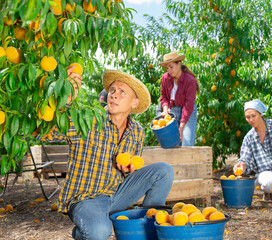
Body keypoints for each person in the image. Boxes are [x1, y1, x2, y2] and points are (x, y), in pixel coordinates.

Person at [40, 67, 174, 240]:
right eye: (112, 90)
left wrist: (127, 169)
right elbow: (48, 133)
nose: (114, 95)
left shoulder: (137, 131)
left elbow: (130, 166)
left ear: (134, 103)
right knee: (101, 232)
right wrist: (66, 98)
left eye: (122, 92)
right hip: (86, 198)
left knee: (164, 171)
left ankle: (145, 228)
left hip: (117, 194)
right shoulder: (89, 120)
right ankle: (86, 231)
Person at [159, 52, 199, 146]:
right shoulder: (165, 78)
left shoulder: (190, 80)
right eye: (167, 68)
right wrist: (165, 110)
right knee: (173, 144)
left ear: (179, 64)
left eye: (171, 67)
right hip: (173, 110)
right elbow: (163, 96)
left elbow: (188, 106)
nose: (169, 70)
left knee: (186, 143)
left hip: (188, 112)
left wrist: (181, 127)